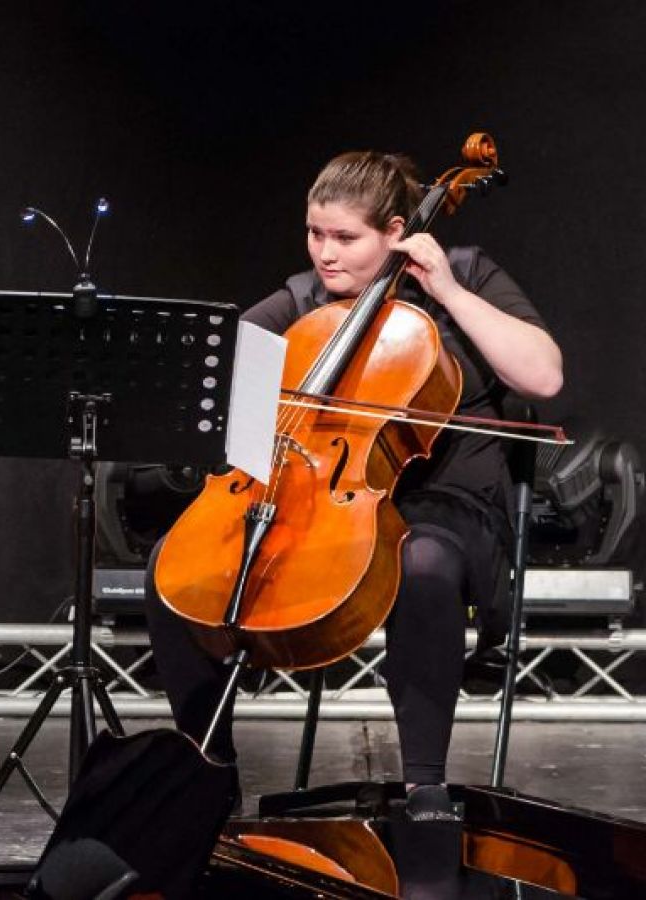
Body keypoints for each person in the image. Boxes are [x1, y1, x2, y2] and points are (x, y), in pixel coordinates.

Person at [145, 150, 563, 820]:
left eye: (346, 237)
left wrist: (450, 291)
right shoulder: (304, 299)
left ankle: (425, 787)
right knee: (175, 568)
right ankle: (209, 768)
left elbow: (543, 377)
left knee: (420, 562)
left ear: (396, 231)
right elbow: (212, 363)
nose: (326, 254)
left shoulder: (467, 274)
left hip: (448, 511)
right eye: (316, 233)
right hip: (322, 506)